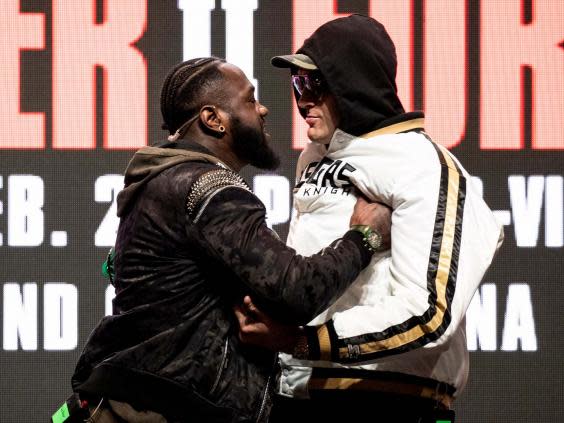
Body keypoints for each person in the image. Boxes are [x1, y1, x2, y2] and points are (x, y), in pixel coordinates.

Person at [59, 57, 393, 423]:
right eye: (250, 100)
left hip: (133, 403)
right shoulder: (209, 190)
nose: (263, 109)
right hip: (156, 410)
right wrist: (364, 236)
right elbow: (295, 290)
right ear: (213, 119)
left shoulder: (162, 180)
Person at [234, 14, 504, 422]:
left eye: (314, 83)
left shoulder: (424, 165)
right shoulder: (315, 157)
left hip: (392, 402)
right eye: (297, 84)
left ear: (353, 82)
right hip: (296, 393)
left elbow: (429, 314)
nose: (302, 99)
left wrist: (302, 341)